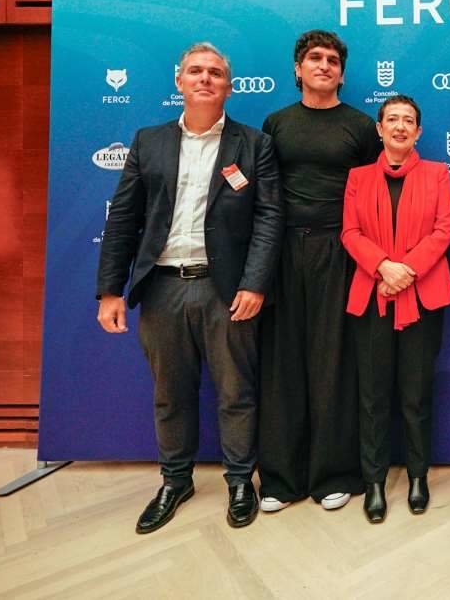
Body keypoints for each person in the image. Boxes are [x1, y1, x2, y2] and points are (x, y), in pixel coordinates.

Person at [96, 41, 283, 533]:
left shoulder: (253, 144)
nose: (205, 79)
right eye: (195, 71)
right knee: (170, 393)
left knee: (236, 392)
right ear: (178, 81)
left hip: (226, 291)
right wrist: (110, 290)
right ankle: (175, 480)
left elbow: (269, 218)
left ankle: (241, 481)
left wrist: (255, 283)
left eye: (215, 73)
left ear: (228, 85)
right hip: (161, 287)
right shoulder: (148, 141)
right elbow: (123, 221)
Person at [257, 30, 380, 513]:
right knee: (282, 364)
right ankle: (281, 479)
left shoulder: (360, 126)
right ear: (298, 68)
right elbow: (264, 193)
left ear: (342, 73)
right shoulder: (277, 122)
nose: (324, 65)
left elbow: (374, 197)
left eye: (332, 60)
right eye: (314, 58)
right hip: (284, 251)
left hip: (340, 250)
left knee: (333, 362)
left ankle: (334, 474)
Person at [341, 95, 450, 523]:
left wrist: (406, 269)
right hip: (372, 297)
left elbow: (445, 229)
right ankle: (373, 482)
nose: (401, 127)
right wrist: (383, 267)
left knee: (416, 394)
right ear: (379, 128)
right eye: (393, 120)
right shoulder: (357, 177)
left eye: (409, 120)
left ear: (419, 131)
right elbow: (350, 232)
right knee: (372, 396)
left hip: (422, 297)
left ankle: (418, 477)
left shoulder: (437, 173)